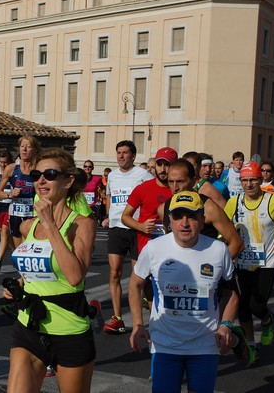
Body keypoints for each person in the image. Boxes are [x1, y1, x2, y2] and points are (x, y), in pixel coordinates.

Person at [3, 148, 96, 393]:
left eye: (50, 174)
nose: (40, 181)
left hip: (69, 330)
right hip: (29, 327)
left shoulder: (82, 225)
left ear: (69, 180)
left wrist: (51, 225)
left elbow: (75, 276)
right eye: (36, 175)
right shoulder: (26, 226)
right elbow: (31, 269)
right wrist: (18, 286)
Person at [130, 191, 234, 393]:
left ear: (202, 220)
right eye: (178, 216)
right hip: (165, 347)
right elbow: (135, 284)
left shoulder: (219, 250)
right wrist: (137, 324)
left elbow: (231, 292)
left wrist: (226, 324)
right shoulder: (154, 248)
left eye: (192, 216)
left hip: (205, 346)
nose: (184, 223)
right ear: (170, 220)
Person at [224, 162, 274, 365]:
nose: (249, 184)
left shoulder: (273, 202)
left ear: (260, 180)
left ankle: (267, 318)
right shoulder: (233, 202)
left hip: (267, 261)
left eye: (253, 180)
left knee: (256, 305)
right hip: (241, 262)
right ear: (240, 182)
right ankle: (251, 345)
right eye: (245, 180)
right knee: (242, 308)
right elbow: (223, 227)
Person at [101, 140, 153, 333]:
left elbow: (151, 196)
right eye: (119, 153)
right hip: (116, 229)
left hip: (136, 229)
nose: (121, 156)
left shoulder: (143, 175)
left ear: (133, 156)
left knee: (138, 277)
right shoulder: (112, 176)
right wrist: (108, 216)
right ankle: (117, 318)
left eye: (125, 153)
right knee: (114, 273)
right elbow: (110, 198)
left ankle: (139, 319)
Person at [121, 147, 177, 310]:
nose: (163, 169)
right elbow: (125, 217)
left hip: (172, 250)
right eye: (160, 164)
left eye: (167, 165)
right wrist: (140, 225)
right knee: (148, 292)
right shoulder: (143, 188)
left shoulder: (179, 190)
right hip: (146, 247)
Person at [0, 135, 41, 247]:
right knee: (18, 249)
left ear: (35, 150)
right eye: (22, 146)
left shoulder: (38, 170)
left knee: (27, 247)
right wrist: (10, 194)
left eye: (28, 147)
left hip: (32, 215)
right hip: (15, 214)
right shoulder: (11, 168)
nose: (24, 149)